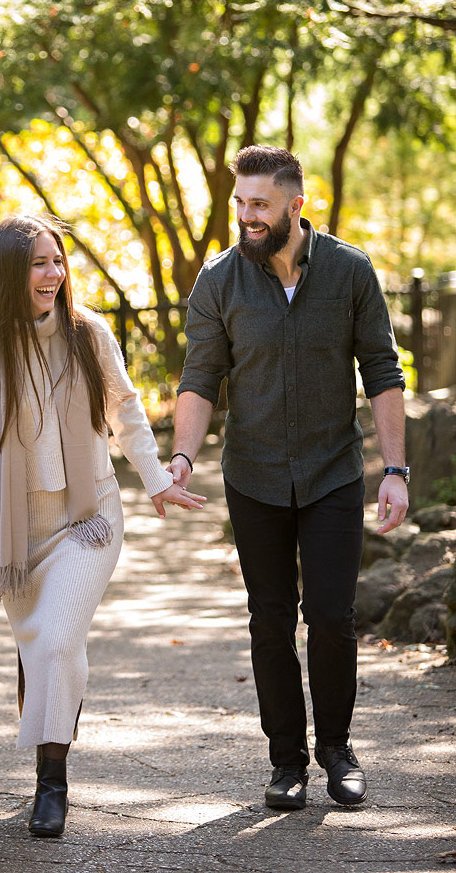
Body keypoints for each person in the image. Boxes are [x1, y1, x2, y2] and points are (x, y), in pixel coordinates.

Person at [0, 214, 205, 838]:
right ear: (9, 273)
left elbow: (126, 408)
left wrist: (156, 478)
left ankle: (51, 784)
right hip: (17, 533)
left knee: (57, 640)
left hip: (90, 516)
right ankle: (46, 760)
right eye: (38, 263)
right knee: (39, 648)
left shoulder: (88, 336)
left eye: (57, 261)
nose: (53, 274)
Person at [170, 145, 408, 811]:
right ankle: (286, 762)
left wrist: (394, 470)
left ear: (293, 206)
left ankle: (337, 749)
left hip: (332, 471)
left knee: (329, 617)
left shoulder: (348, 272)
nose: (246, 217)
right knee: (268, 621)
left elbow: (382, 373)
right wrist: (181, 457)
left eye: (259, 205)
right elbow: (199, 379)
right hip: (253, 476)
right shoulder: (219, 280)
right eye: (239, 204)